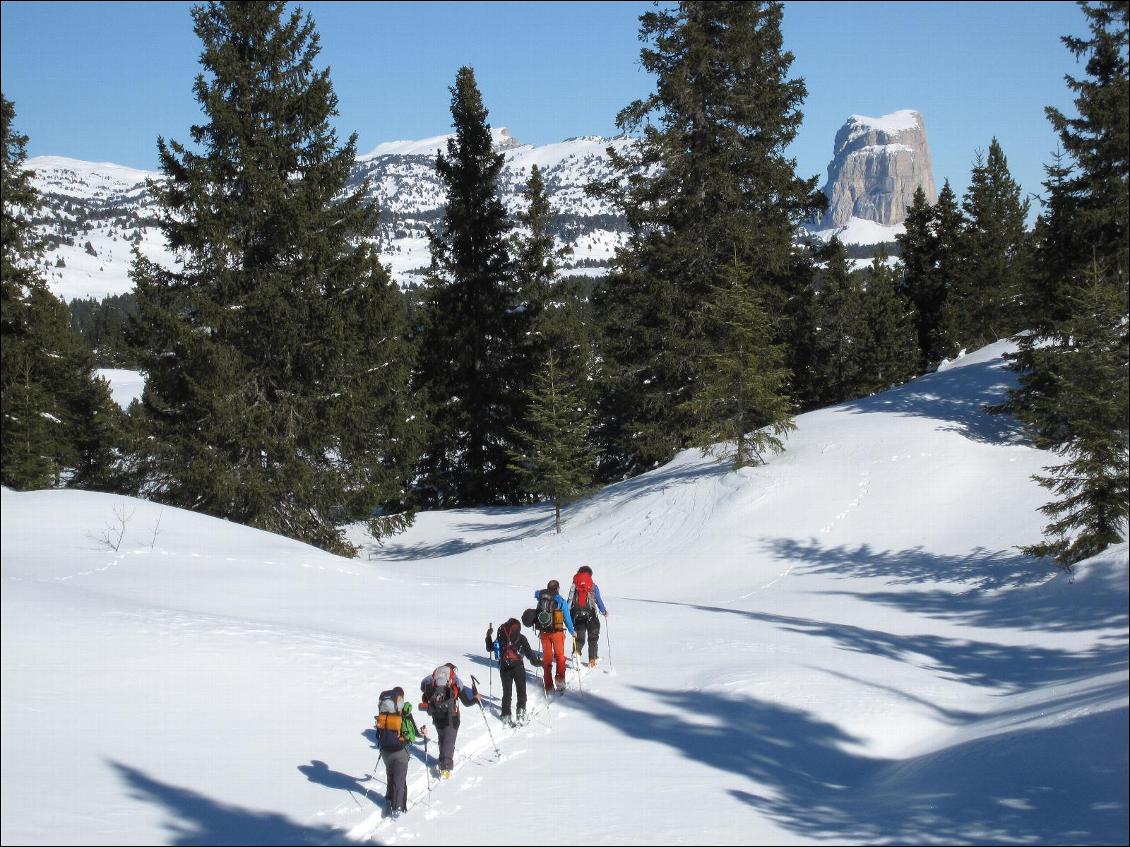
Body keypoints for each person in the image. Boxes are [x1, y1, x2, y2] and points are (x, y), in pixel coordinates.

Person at [419, 663, 479, 778]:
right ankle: (445, 768)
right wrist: (476, 699)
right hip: (452, 717)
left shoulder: (431, 681)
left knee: (443, 739)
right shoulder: (455, 682)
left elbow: (423, 690)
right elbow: (466, 702)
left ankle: (442, 760)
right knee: (449, 742)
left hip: (436, 716)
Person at [374, 686, 427, 818]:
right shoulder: (404, 712)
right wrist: (423, 733)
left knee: (391, 775)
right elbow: (414, 732)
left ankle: (389, 798)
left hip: (385, 751)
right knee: (400, 779)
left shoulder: (383, 713)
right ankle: (398, 808)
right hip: (400, 750)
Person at [485, 618, 540, 725]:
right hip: (518, 666)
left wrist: (488, 636)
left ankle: (506, 715)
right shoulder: (521, 637)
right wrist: (538, 662)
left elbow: (489, 648)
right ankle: (521, 712)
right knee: (521, 690)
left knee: (507, 692)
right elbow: (529, 654)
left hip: (504, 666)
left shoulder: (501, 637)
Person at [532, 579, 575, 693]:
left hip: (544, 632)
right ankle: (560, 681)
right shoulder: (561, 601)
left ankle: (548, 686)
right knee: (560, 657)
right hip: (557, 632)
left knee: (547, 657)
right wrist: (573, 632)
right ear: (557, 588)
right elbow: (567, 619)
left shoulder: (541, 599)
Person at [568, 565, 609, 668]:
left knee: (579, 637)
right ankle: (592, 659)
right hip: (590, 613)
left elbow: (569, 600)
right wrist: (604, 611)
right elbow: (598, 600)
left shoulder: (574, 585)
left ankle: (576, 654)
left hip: (576, 614)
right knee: (593, 636)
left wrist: (568, 613)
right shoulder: (593, 586)